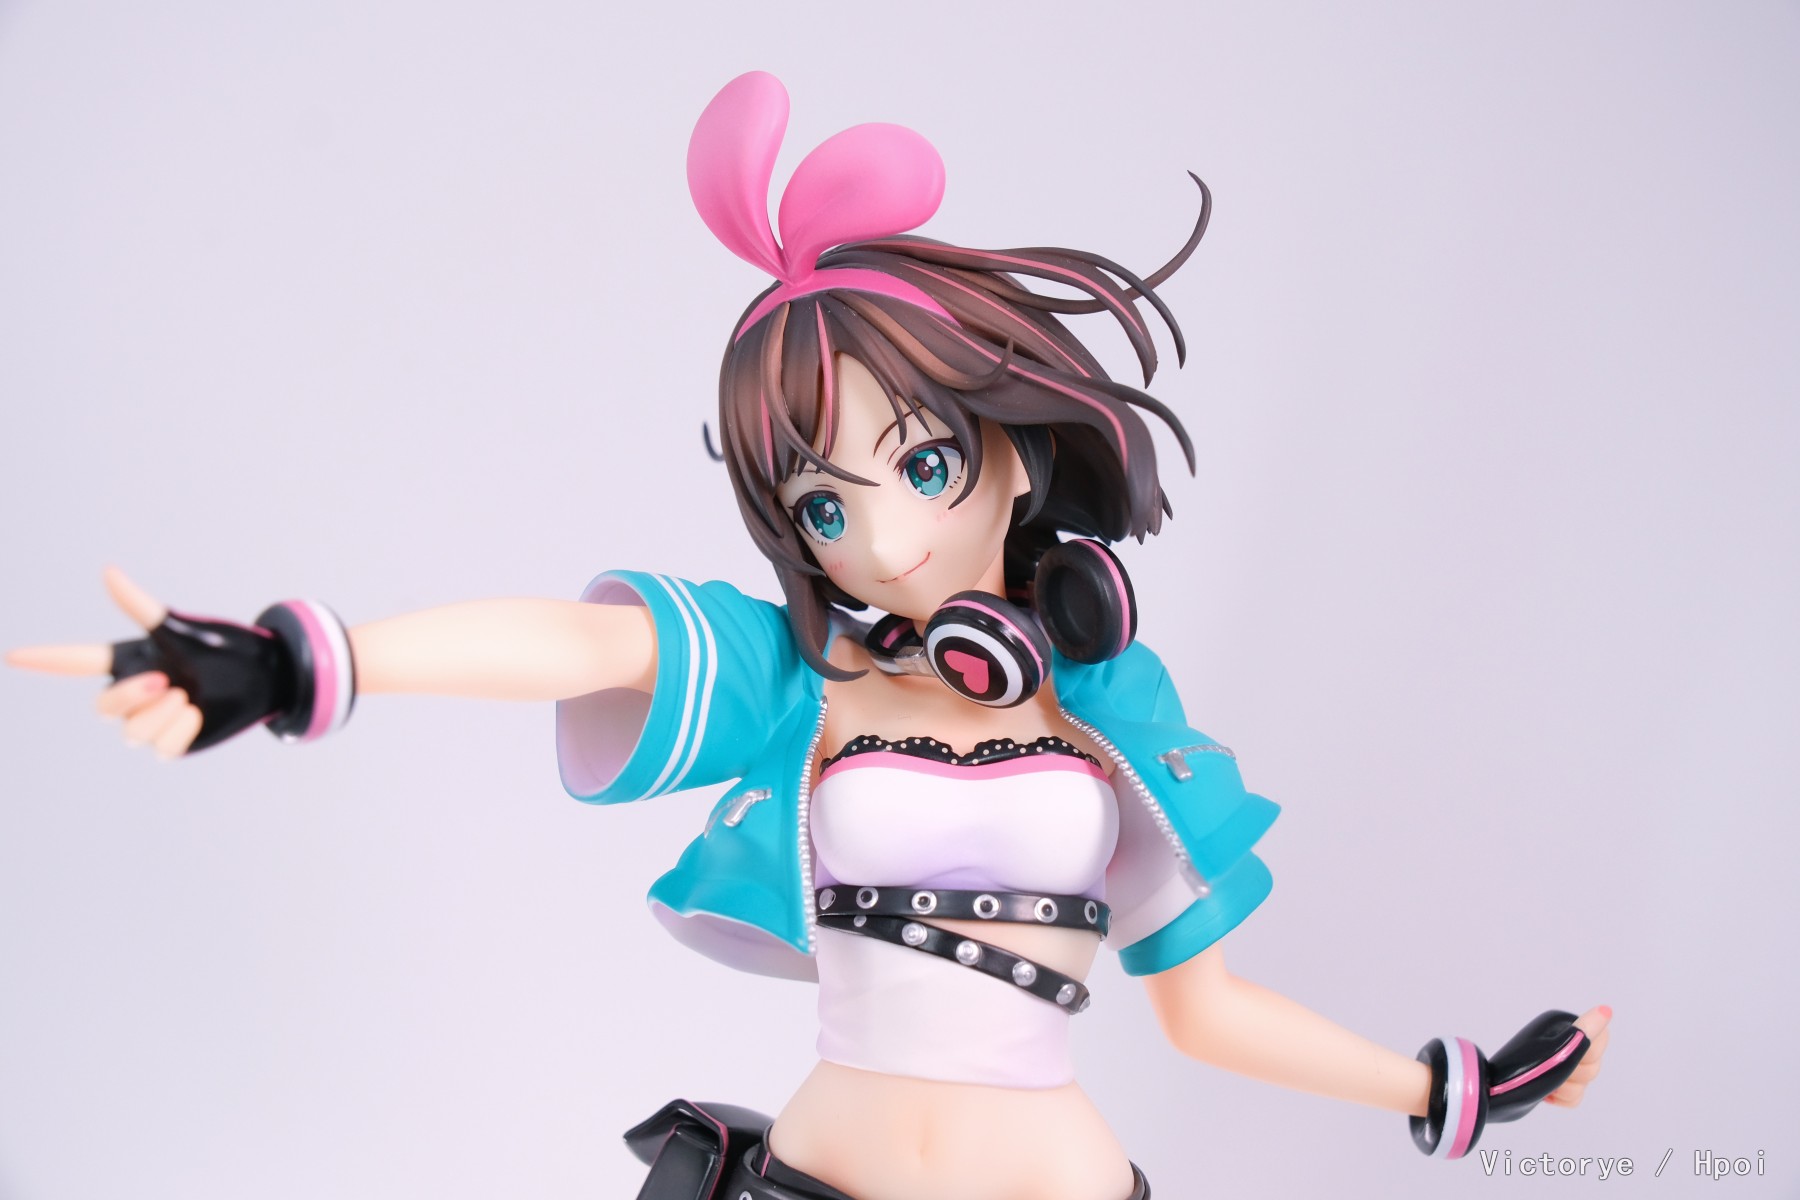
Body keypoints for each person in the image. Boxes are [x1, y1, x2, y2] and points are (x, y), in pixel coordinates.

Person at [6, 72, 1608, 1200]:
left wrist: (1448, 1088)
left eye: (925, 465)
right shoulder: (806, 679)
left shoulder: (1112, 704)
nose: (887, 542)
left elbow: (1206, 1009)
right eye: (827, 506)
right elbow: (578, 647)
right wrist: (307, 663)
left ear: (1019, 450)